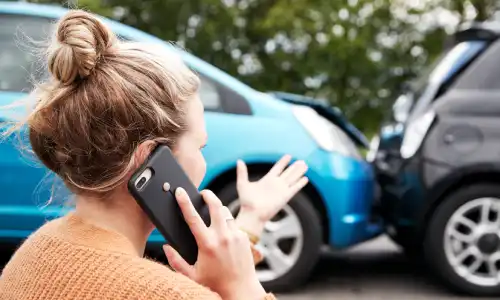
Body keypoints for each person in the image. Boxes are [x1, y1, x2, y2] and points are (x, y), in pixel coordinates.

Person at [0, 9, 310, 300]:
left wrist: (250, 222)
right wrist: (242, 287)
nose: (203, 160)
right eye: (199, 147)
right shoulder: (169, 294)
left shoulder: (35, 250)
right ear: (148, 160)